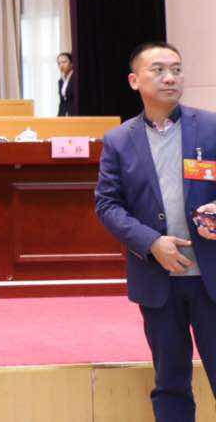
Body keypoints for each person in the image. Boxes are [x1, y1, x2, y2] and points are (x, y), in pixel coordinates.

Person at [96, 42, 216, 422]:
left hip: (210, 278)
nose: (170, 78)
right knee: (170, 383)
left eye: (176, 70)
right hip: (158, 280)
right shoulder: (119, 140)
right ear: (135, 81)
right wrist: (151, 243)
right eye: (159, 70)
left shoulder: (210, 127)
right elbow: (107, 205)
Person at [58, 51, 77, 116]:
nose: (61, 65)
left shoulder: (76, 78)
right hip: (65, 116)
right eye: (59, 63)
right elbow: (62, 102)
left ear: (71, 64)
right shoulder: (61, 81)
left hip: (76, 115)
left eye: (64, 62)